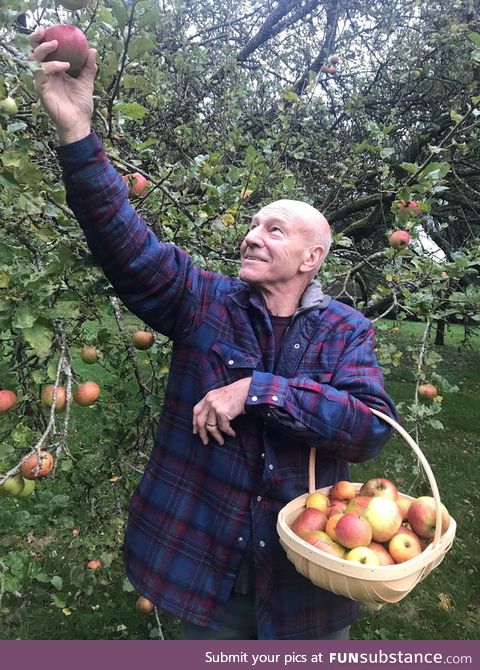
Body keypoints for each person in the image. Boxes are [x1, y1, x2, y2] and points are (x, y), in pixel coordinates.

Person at [31, 32, 397, 640]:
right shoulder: (202, 301)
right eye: (252, 226)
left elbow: (370, 429)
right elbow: (123, 240)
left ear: (312, 257)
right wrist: (77, 131)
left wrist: (258, 389)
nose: (253, 236)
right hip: (204, 569)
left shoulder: (345, 330)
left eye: (274, 230)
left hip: (307, 581)